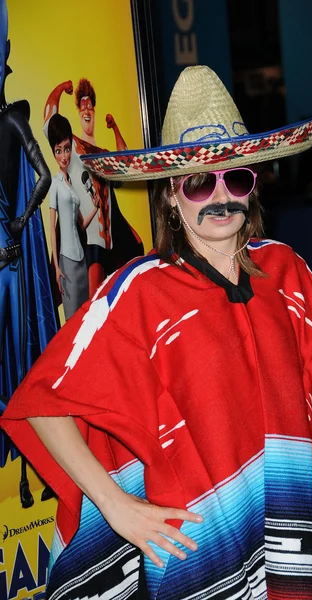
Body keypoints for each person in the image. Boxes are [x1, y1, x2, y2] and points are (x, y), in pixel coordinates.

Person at [1, 66, 312, 600]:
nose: (219, 197)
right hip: (199, 557)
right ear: (170, 197)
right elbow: (41, 404)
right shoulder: (138, 291)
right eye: (199, 182)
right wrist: (117, 506)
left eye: (236, 178)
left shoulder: (286, 270)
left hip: (296, 546)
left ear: (252, 187)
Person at [0, 0, 58, 507]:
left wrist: (20, 220)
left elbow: (44, 174)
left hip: (14, 267)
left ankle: (29, 475)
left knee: (22, 367)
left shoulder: (13, 118)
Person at [43, 78, 144, 296]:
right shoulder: (73, 147)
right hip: (88, 243)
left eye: (90, 106)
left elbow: (124, 167)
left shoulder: (103, 154)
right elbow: (49, 122)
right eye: (83, 106)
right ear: (78, 111)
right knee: (90, 309)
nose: (87, 109)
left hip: (111, 244)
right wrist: (60, 88)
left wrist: (116, 128)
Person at [48, 113, 99, 320]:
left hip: (81, 260)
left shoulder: (71, 185)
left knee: (83, 318)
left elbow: (81, 225)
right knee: (71, 321)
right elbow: (52, 227)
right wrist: (57, 268)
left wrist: (95, 209)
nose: (64, 156)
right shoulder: (55, 184)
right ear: (53, 152)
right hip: (66, 261)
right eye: (59, 151)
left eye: (67, 149)